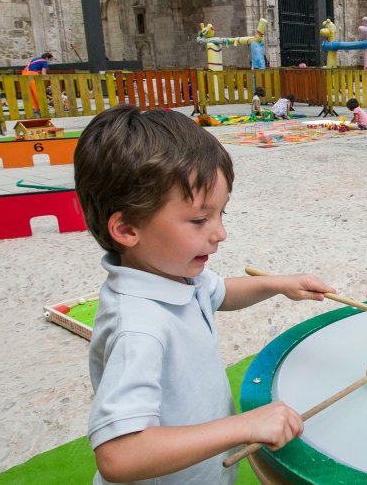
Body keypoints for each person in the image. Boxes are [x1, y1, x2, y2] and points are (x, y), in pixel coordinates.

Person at [73, 105, 334, 483]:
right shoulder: (139, 329)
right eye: (199, 220)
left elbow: (221, 293)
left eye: (221, 214)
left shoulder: (175, 274)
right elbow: (119, 454)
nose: (219, 233)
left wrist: (278, 284)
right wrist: (244, 426)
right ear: (127, 229)